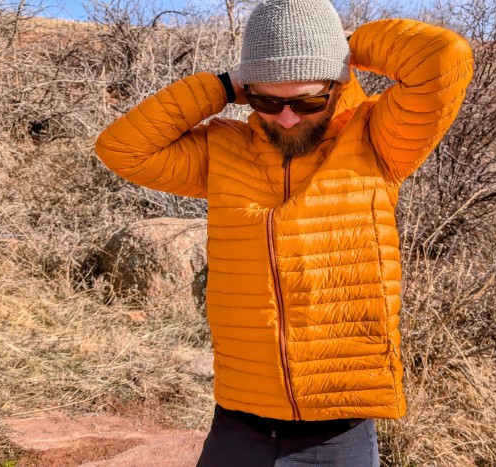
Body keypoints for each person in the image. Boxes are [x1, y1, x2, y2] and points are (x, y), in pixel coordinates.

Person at [95, 0, 473, 464]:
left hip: (338, 431)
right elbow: (122, 149)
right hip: (238, 422)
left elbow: (444, 58)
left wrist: (341, 49)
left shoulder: (378, 138)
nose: (287, 118)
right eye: (267, 100)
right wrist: (223, 86)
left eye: (308, 99)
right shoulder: (223, 151)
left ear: (338, 86)